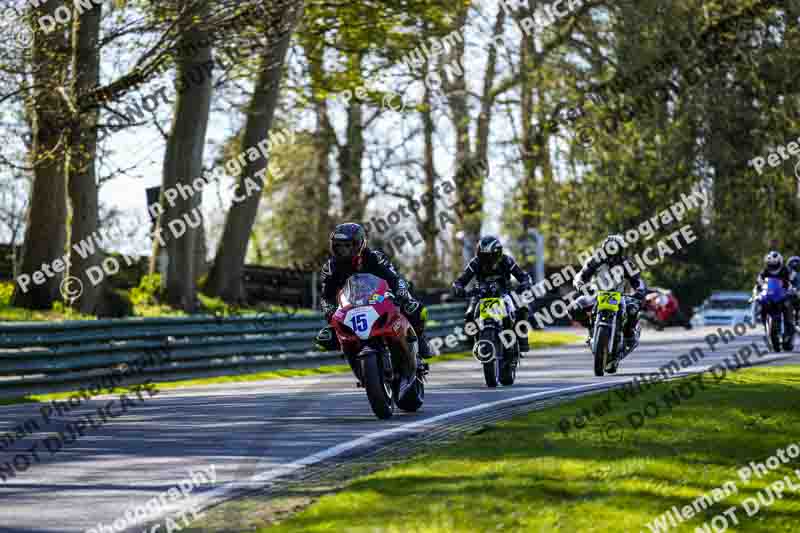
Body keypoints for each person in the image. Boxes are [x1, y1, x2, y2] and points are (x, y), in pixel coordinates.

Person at [315, 223, 433, 362]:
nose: (343, 250)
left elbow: (394, 278)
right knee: (327, 335)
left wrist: (401, 293)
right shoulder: (330, 267)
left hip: (380, 299)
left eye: (348, 245)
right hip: (350, 308)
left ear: (360, 243)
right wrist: (330, 311)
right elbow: (325, 296)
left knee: (413, 308)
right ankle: (350, 353)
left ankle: (420, 338)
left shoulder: (374, 257)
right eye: (339, 246)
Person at [451, 236, 533, 353]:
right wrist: (458, 288)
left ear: (497, 253)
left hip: (504, 293)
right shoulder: (475, 263)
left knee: (523, 307)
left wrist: (525, 284)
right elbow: (461, 280)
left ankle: (522, 339)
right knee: (469, 315)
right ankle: (475, 342)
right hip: (481, 295)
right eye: (483, 256)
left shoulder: (507, 260)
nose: (486, 260)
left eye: (489, 256)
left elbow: (523, 276)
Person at [571, 234, 647, 352]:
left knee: (633, 308)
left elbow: (638, 281)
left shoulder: (627, 264)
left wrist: (640, 292)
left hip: (620, 296)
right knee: (573, 308)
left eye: (615, 248)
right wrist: (580, 284)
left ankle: (629, 336)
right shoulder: (595, 261)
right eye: (609, 248)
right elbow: (581, 275)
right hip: (596, 294)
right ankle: (591, 327)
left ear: (621, 250)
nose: (611, 252)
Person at [754, 251, 796, 344]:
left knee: (788, 306)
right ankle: (765, 325)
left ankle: (790, 328)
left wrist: (793, 288)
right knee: (761, 305)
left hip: (784, 294)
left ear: (780, 262)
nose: (772, 267)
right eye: (770, 265)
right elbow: (758, 282)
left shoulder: (786, 270)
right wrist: (756, 294)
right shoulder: (764, 271)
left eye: (774, 264)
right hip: (770, 295)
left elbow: (794, 279)